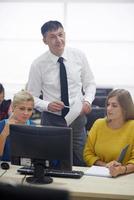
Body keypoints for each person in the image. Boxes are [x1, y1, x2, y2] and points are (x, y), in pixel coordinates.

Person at [27, 20, 96, 166]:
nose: (59, 40)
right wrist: (47, 105)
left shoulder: (78, 55)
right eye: (52, 37)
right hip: (52, 119)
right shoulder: (38, 64)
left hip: (77, 117)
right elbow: (31, 97)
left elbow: (90, 83)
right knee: (52, 161)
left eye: (61, 34)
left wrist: (87, 101)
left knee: (80, 160)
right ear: (44, 40)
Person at [83, 89, 134, 177]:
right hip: (98, 175)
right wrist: (106, 166)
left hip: (125, 177)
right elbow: (87, 154)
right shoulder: (98, 124)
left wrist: (121, 169)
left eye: (114, 105)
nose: (109, 108)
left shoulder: (132, 127)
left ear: (125, 109)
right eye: (108, 104)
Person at [0, 90, 34, 161]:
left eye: (29, 109)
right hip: (6, 170)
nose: (26, 113)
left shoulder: (34, 127)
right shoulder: (1, 125)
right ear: (12, 107)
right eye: (22, 109)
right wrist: (3, 134)